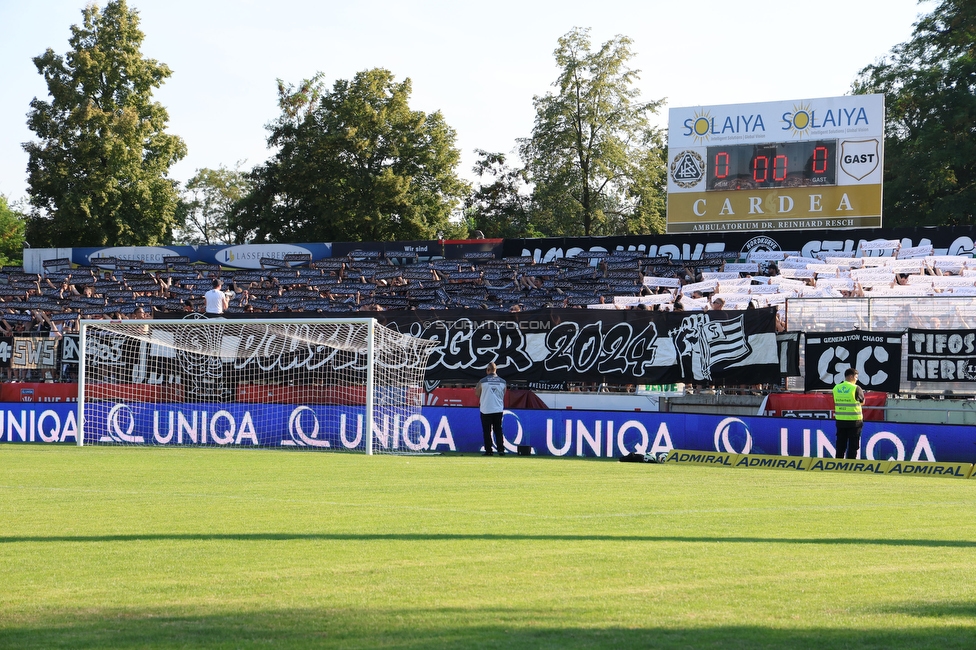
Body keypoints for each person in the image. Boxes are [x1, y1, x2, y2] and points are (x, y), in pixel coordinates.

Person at [474, 362, 507, 456]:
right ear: (495, 370)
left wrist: (485, 396)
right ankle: (501, 449)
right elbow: (504, 393)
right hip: (498, 409)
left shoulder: (482, 381)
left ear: (488, 370)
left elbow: (477, 393)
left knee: (487, 431)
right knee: (498, 430)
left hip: (486, 409)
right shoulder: (503, 382)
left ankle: (489, 450)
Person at [832, 368, 865, 459]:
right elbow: (862, 401)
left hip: (840, 421)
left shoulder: (836, 388)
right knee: (853, 446)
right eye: (856, 377)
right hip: (854, 421)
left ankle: (838, 465)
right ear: (851, 376)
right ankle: (850, 466)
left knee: (840, 445)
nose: (857, 379)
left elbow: (835, 400)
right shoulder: (856, 388)